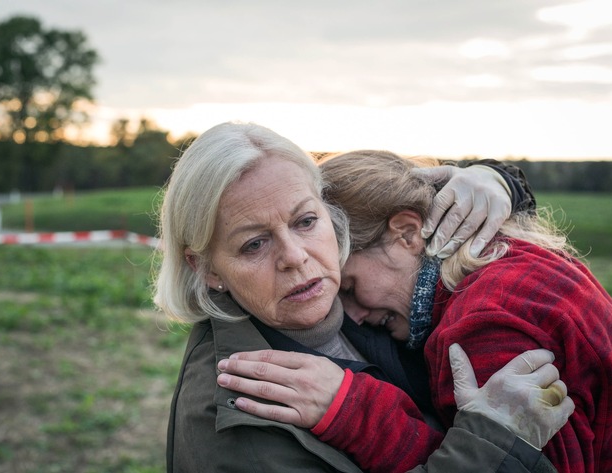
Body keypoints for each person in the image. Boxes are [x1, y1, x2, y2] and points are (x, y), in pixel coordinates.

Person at [155, 122, 573, 473]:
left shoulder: (355, 304)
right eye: (253, 245)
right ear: (206, 268)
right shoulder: (239, 416)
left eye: (305, 220)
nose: (295, 257)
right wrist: (498, 439)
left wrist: (495, 179)